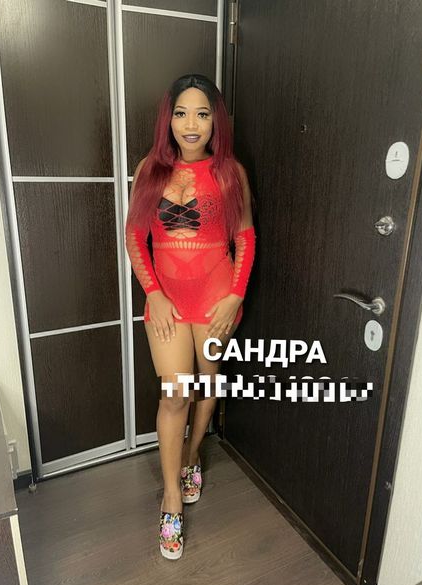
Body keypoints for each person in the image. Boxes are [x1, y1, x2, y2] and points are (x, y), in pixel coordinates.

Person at [125, 73, 256, 560]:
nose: (191, 124)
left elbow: (244, 237)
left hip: (217, 299)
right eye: (181, 113)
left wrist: (235, 296)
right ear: (169, 120)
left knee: (209, 380)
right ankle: (171, 497)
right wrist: (154, 294)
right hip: (168, 302)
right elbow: (135, 237)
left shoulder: (231, 172)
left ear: (216, 121)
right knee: (176, 393)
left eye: (202, 114)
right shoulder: (150, 169)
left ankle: (192, 455)